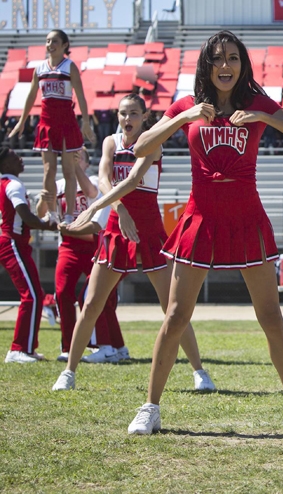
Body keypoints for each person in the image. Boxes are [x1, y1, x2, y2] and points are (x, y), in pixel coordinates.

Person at [123, 30, 283, 436]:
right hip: (201, 218)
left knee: (269, 315)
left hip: (247, 217)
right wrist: (183, 117)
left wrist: (265, 117)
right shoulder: (187, 105)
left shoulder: (257, 103)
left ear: (242, 63)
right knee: (176, 314)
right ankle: (150, 408)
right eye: (218, 59)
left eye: (233, 57)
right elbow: (141, 147)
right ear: (207, 65)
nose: (226, 65)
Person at [52, 94, 214, 392]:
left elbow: (133, 179)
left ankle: (199, 372)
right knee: (91, 304)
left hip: (149, 229)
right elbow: (103, 180)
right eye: (123, 114)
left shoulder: (153, 142)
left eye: (134, 114)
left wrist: (108, 207)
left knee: (172, 309)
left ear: (144, 116)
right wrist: (119, 210)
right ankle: (69, 372)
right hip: (116, 227)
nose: (128, 119)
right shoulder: (111, 142)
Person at [36, 147, 125, 362]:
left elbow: (91, 193)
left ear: (86, 162)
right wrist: (42, 199)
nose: (74, 160)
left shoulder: (94, 179)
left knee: (98, 297)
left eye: (79, 157)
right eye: (71, 157)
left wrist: (73, 166)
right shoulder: (58, 185)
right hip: (68, 246)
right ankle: (68, 346)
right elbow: (42, 213)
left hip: (93, 244)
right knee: (63, 292)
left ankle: (108, 345)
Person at [8, 30, 96, 224]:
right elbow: (31, 96)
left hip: (66, 123)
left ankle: (70, 215)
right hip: (47, 123)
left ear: (65, 45)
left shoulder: (69, 67)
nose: (50, 44)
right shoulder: (39, 68)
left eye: (54, 41)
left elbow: (80, 96)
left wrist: (86, 123)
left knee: (68, 170)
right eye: (48, 41)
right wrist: (22, 122)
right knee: (49, 170)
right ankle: (53, 213)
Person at [1, 148, 59, 363]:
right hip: (12, 242)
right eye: (15, 158)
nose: (21, 159)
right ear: (6, 165)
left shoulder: (7, 184)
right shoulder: (13, 184)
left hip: (14, 242)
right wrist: (49, 225)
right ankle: (18, 349)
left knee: (35, 294)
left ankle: (27, 348)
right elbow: (25, 217)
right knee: (32, 296)